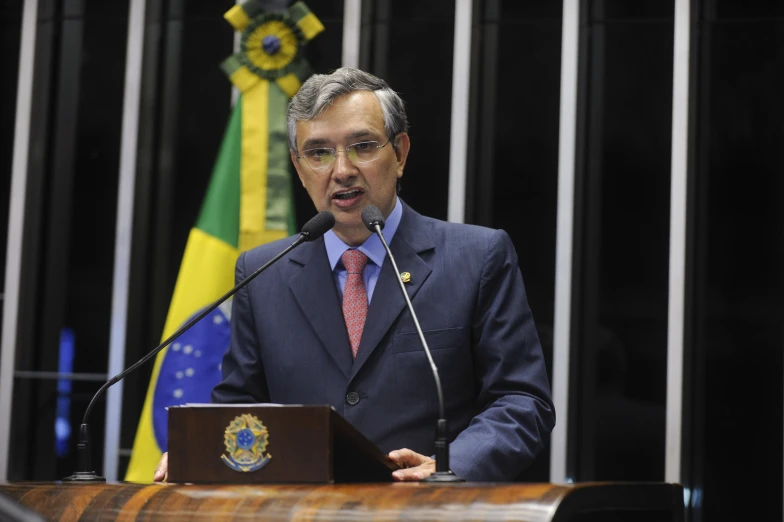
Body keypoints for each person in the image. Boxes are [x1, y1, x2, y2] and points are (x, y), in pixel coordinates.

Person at [154, 67, 554, 482]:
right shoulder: (261, 273)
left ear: (400, 153)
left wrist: (452, 465)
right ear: (298, 166)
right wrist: (196, 450)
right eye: (319, 153)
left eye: (362, 146)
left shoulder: (477, 257)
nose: (341, 170)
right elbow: (240, 410)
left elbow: (522, 401)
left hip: (430, 508)